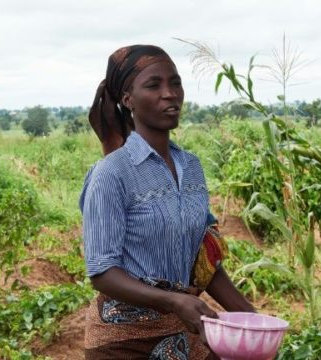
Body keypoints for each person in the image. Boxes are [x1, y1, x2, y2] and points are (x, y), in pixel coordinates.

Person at [80, 44, 255, 359]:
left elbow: (202, 260)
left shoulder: (192, 167)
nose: (170, 93)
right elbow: (102, 272)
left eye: (175, 83)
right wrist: (175, 301)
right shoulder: (111, 174)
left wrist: (253, 320)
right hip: (122, 342)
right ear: (127, 99)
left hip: (180, 334)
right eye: (153, 84)